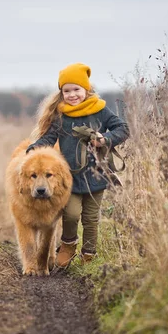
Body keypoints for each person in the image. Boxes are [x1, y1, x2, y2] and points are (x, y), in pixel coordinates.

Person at [26, 63, 130, 267]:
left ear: (86, 90)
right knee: (71, 214)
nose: (72, 95)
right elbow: (48, 138)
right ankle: (68, 246)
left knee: (91, 218)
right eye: (67, 91)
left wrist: (105, 139)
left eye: (76, 90)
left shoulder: (100, 110)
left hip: (97, 176)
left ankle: (88, 255)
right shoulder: (61, 116)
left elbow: (123, 128)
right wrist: (33, 150)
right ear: (61, 92)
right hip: (70, 178)